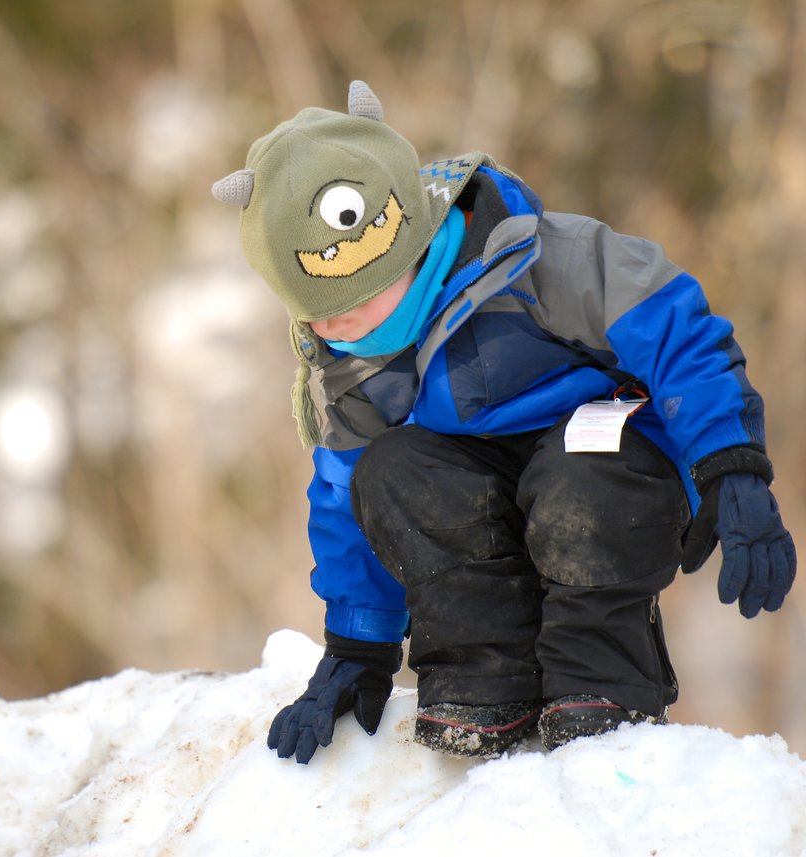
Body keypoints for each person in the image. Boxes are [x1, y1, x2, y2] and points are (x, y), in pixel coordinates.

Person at [211, 81, 796, 762]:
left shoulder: (534, 260)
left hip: (610, 466)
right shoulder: (350, 372)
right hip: (486, 489)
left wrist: (728, 464)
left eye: (358, 296)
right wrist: (356, 643)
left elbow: (678, 331)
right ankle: (484, 684)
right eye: (317, 310)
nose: (339, 323)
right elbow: (343, 503)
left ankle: (601, 694)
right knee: (389, 469)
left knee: (577, 472)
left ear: (404, 240)